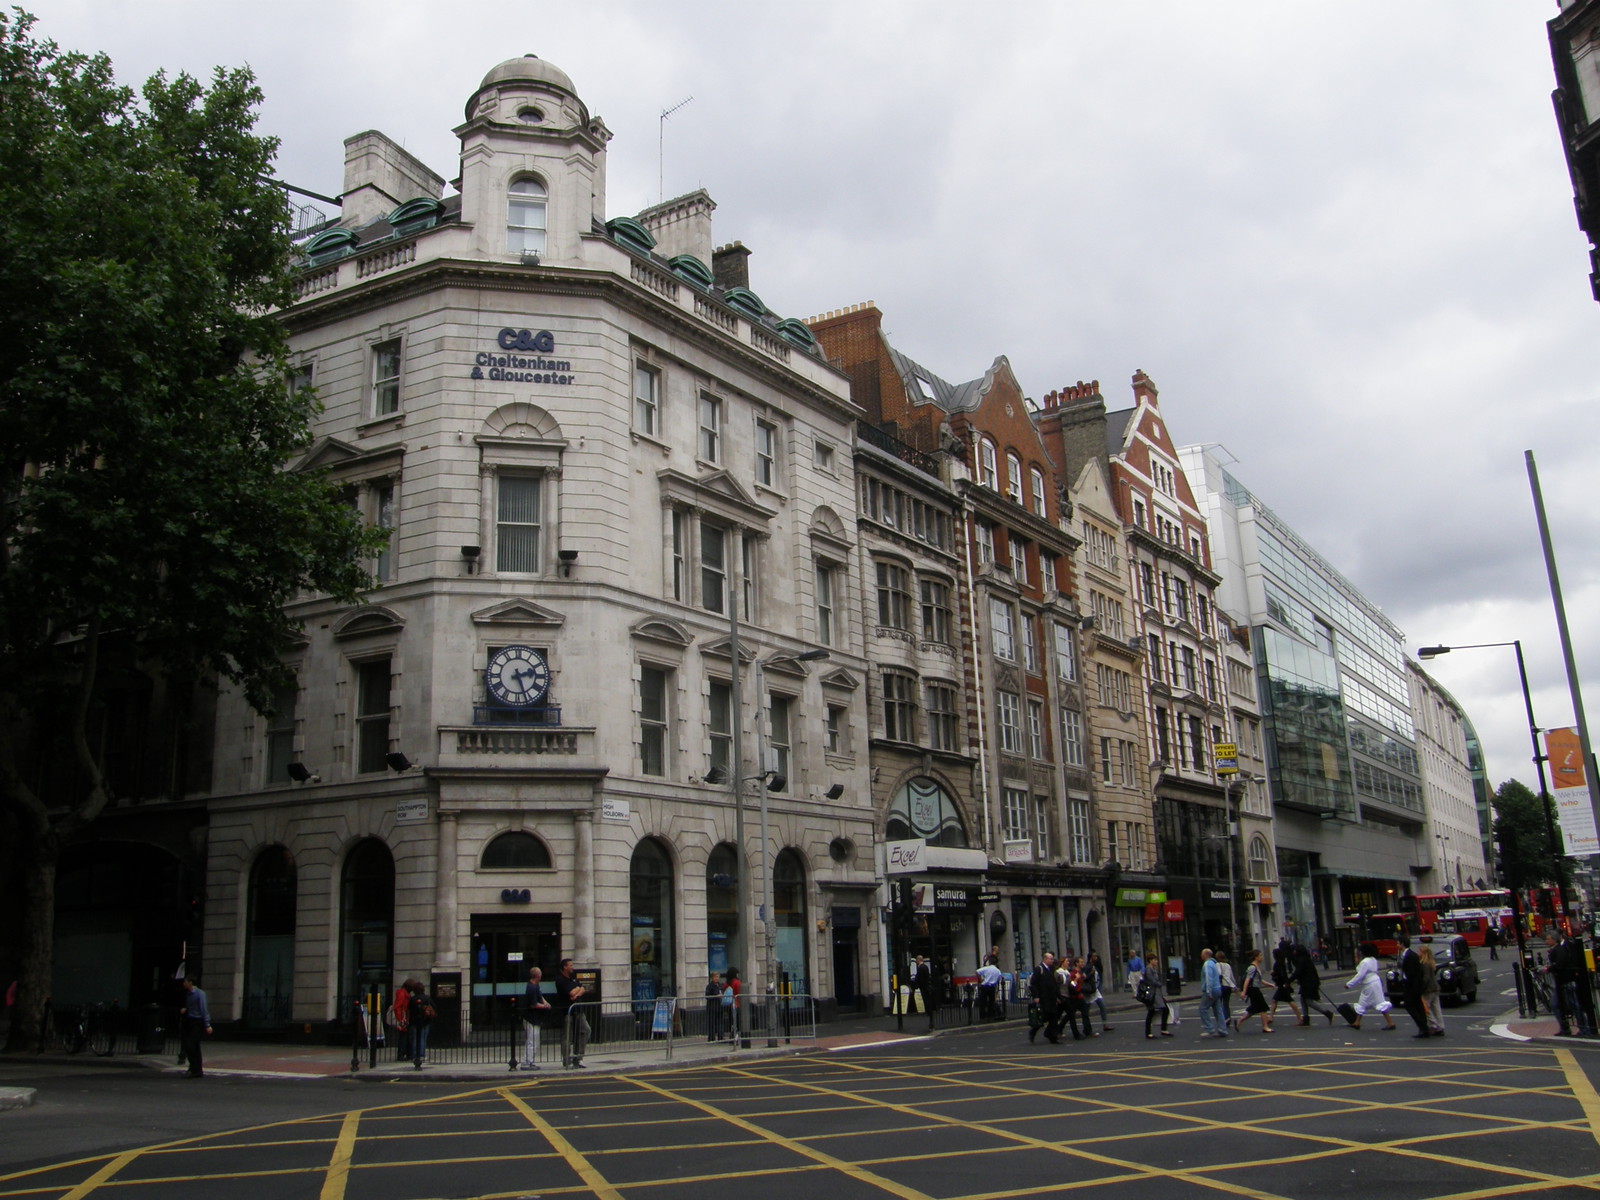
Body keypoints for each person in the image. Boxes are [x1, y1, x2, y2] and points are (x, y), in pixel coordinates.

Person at [1341, 942, 1397, 1030]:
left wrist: (1349, 984)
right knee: (1368, 1003)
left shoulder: (1365, 962)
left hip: (1370, 984)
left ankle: (1390, 1023)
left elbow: (1360, 975)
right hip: (1374, 983)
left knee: (1373, 1003)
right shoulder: (1373, 959)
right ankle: (1357, 1022)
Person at [556, 958, 590, 1067]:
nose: (572, 967)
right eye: (570, 965)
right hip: (567, 1012)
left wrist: (577, 992)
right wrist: (576, 991)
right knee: (567, 1037)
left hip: (579, 1011)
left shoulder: (573, 978)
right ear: (565, 967)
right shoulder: (560, 980)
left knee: (586, 1030)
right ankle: (567, 1061)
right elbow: (570, 993)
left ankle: (578, 1058)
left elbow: (583, 989)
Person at [1292, 943, 1337, 1026]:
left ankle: (1327, 1013)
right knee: (1303, 999)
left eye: (1295, 950)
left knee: (1309, 1001)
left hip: (1308, 983)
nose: (1293, 951)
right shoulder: (1306, 959)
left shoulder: (1302, 960)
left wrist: (1289, 981)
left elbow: (1297, 972)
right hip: (1309, 982)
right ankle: (1306, 1019)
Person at [1397, 940, 1432, 1037]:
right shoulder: (1407, 954)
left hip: (1412, 987)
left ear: (1402, 944)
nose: (1397, 945)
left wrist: (1413, 986)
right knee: (1418, 1006)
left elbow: (1414, 974)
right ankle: (1423, 1028)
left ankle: (1423, 1027)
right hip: (1410, 985)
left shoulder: (1410, 955)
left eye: (1398, 943)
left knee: (1411, 1006)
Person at [179, 977, 211, 1078]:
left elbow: (203, 1009)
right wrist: (185, 1010)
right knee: (194, 1046)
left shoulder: (199, 994)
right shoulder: (188, 994)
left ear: (190, 982)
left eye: (185, 982)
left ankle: (195, 1068)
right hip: (190, 1021)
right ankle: (196, 1070)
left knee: (190, 1045)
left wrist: (207, 1024)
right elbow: (191, 1007)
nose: (183, 983)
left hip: (198, 1022)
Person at [520, 966, 552, 1069]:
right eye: (540, 974)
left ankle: (529, 1061)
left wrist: (545, 1002)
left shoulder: (534, 986)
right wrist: (545, 1006)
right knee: (532, 1041)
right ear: (538, 975)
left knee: (534, 1041)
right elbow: (533, 1004)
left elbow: (540, 996)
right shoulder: (532, 988)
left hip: (535, 1019)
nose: (541, 976)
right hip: (531, 1019)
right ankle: (526, 1062)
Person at [1028, 952, 1062, 1044]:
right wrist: (1036, 996)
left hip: (1051, 997)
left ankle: (1052, 1037)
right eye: (1050, 959)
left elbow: (1054, 985)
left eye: (1052, 959)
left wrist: (1057, 997)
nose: (1052, 960)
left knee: (1054, 1018)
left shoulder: (1051, 969)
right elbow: (1033, 984)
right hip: (1043, 998)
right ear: (1045, 959)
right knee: (1043, 1017)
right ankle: (1033, 1031)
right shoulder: (1039, 969)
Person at [1236, 949, 1273, 1033]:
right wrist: (1244, 992)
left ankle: (1239, 1021)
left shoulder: (1257, 966)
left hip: (1255, 989)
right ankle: (1265, 1027)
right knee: (1263, 1008)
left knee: (1254, 1009)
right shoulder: (1252, 967)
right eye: (1260, 955)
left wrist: (1269, 984)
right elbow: (1247, 980)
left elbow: (1259, 980)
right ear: (1256, 957)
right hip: (1253, 990)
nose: (1262, 957)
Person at [1269, 943, 1302, 1027]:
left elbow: (1279, 975)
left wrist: (1273, 974)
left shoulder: (1277, 964)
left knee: (1290, 1001)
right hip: (1282, 985)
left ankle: (1300, 1018)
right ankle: (1271, 1017)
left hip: (1282, 986)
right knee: (1274, 1000)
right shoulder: (1281, 962)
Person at [1417, 945, 1445, 1036]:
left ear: (1423, 953)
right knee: (1437, 1008)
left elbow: (1426, 978)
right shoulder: (1431, 962)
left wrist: (1421, 988)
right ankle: (1441, 1026)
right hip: (1435, 988)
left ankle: (1434, 1025)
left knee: (1426, 1009)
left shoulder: (1424, 964)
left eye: (1419, 951)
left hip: (1428, 990)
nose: (1417, 953)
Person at [408, 978, 435, 1069]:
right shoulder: (427, 998)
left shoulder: (412, 999)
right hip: (425, 1021)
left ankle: (415, 1055)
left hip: (415, 1021)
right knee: (423, 1038)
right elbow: (434, 1007)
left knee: (415, 1038)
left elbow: (410, 1010)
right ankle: (422, 1055)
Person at [1198, 949, 1225, 1037]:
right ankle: (1222, 1030)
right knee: (1218, 1010)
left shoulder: (1207, 964)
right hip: (1218, 989)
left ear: (1205, 955)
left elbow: (1209, 978)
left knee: (1202, 1008)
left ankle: (1209, 1029)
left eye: (1202, 954)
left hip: (1211, 990)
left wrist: (1208, 991)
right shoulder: (1213, 963)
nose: (1201, 956)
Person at [1139, 967, 1172, 1038]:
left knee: (1163, 1010)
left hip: (1157, 994)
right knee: (1152, 1011)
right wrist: (1159, 983)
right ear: (1150, 960)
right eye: (1154, 960)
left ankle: (1163, 1029)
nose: (1156, 961)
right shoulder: (1148, 970)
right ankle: (1149, 1033)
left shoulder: (1153, 969)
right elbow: (1152, 981)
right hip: (1152, 994)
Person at [1086, 952, 1112, 1031]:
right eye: (1094, 956)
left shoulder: (1096, 965)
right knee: (1086, 1010)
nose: (1096, 958)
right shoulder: (1088, 967)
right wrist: (1091, 973)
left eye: (1096, 956)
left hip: (1096, 989)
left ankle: (1105, 1024)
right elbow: (1085, 978)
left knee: (1102, 1006)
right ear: (1090, 958)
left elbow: (1099, 975)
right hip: (1090, 990)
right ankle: (1087, 1028)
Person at [911, 955, 936, 1029]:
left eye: (916, 960)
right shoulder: (925, 967)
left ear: (918, 960)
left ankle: (929, 1012)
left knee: (926, 1000)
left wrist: (916, 984)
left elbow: (919, 978)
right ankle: (929, 1012)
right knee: (927, 999)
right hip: (926, 986)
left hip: (924, 987)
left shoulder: (920, 968)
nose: (916, 961)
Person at [1215, 951, 1237, 1031]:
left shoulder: (1217, 965)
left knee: (1220, 1003)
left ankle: (1224, 1018)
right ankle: (1228, 1018)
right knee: (1226, 1003)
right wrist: (1234, 985)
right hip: (1228, 987)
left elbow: (1219, 974)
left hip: (1222, 986)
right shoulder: (1228, 965)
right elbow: (1231, 976)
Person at [704, 971, 724, 1042]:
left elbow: (722, 991)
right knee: (712, 1023)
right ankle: (711, 1037)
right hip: (712, 1007)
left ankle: (720, 1036)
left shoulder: (719, 985)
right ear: (712, 978)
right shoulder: (710, 986)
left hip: (719, 1007)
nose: (717, 978)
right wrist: (716, 996)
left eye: (718, 977)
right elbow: (707, 996)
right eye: (715, 977)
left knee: (720, 1022)